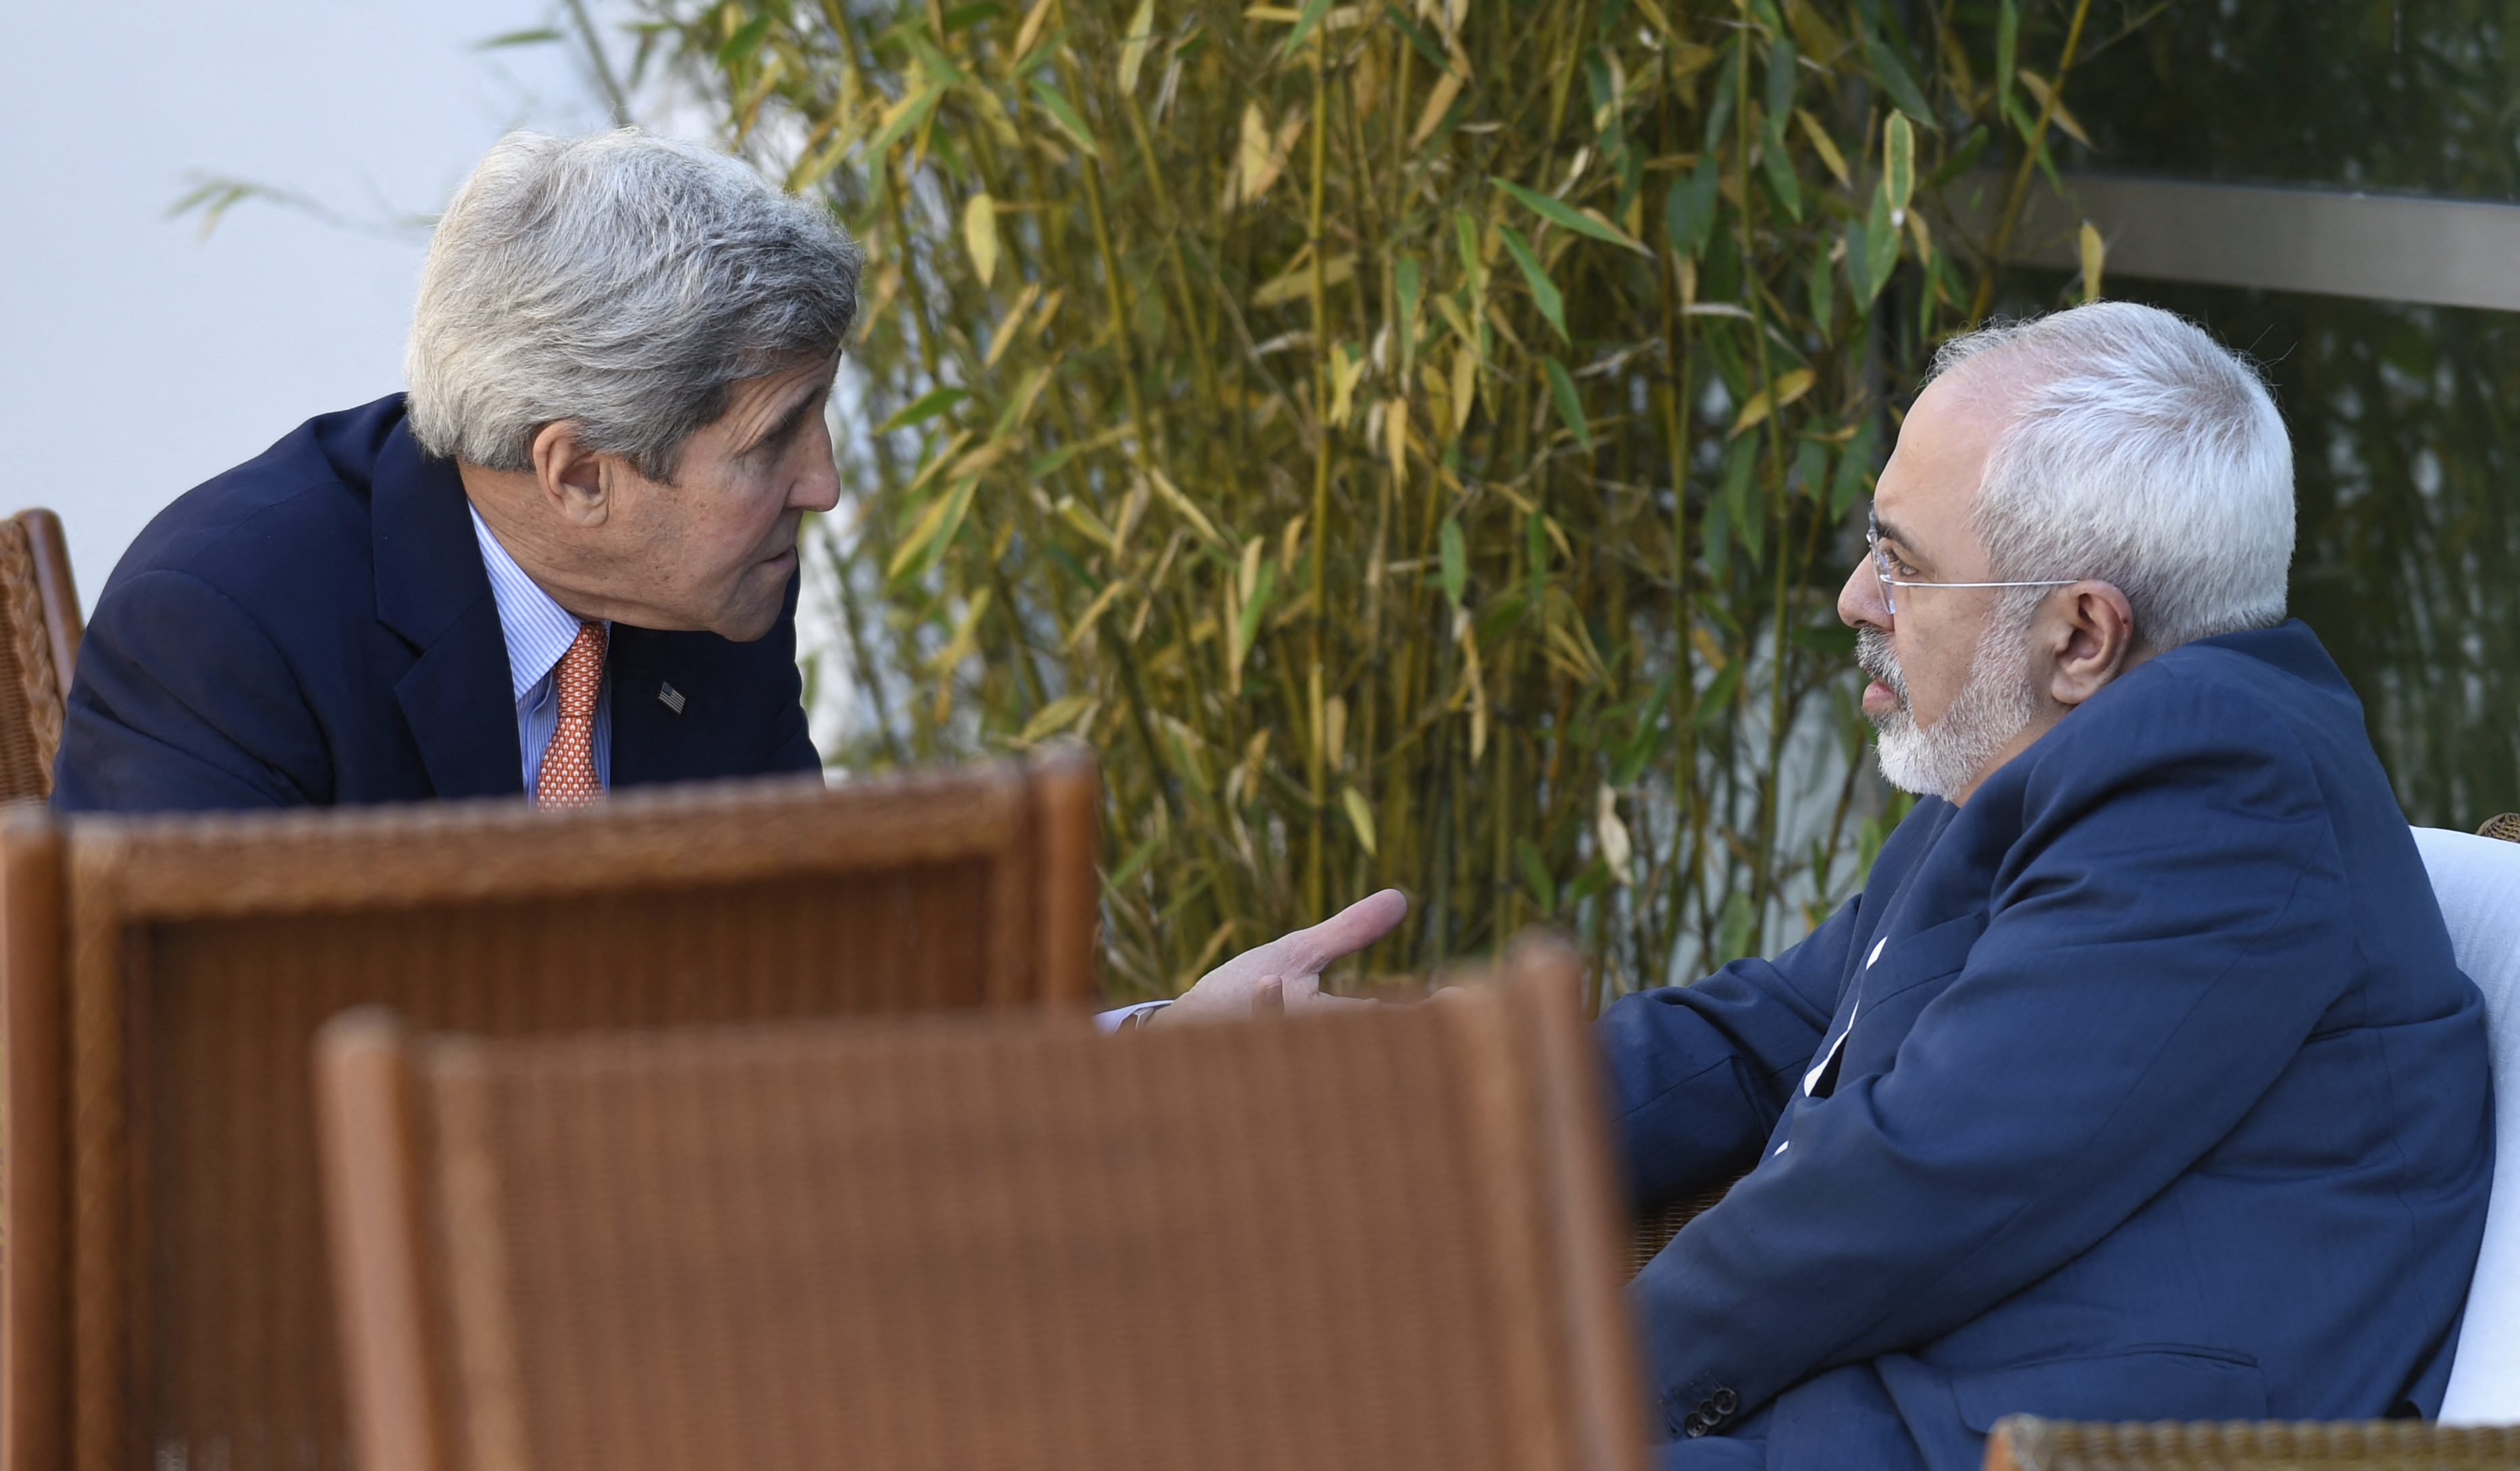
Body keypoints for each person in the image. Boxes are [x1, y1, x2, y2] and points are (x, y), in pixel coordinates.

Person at [1152, 303, 2492, 1470]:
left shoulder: (2216, 787)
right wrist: (1358, 1116)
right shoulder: (2041, 768)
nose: (1854, 595)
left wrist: (1518, 1404)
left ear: (2078, 634)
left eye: (1902, 564)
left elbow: (1909, 1189)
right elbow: (1748, 1045)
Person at [54, 128, 860, 811]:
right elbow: (174, 995)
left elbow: (801, 937)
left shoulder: (722, 581)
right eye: (770, 442)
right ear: (579, 473)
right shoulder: (221, 635)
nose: (820, 485)